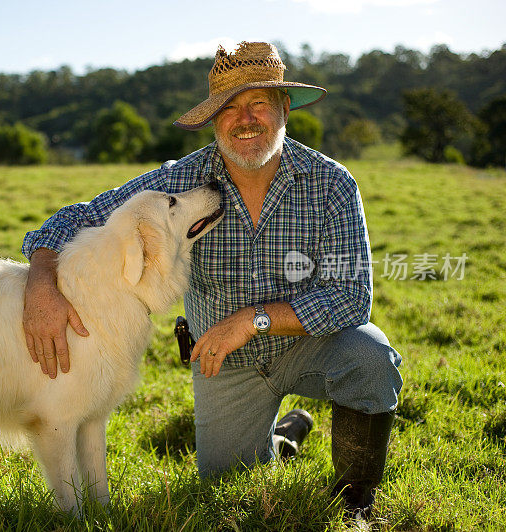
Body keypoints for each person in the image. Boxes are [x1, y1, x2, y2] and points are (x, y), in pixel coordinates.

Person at [20, 41, 402, 519]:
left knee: (372, 358)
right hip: (225, 363)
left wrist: (252, 319)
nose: (245, 119)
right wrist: (40, 282)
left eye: (258, 104)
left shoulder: (332, 184)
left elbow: (352, 298)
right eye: (230, 108)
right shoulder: (182, 183)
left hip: (311, 344)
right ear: (214, 119)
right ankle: (281, 441)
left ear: (284, 110)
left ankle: (354, 507)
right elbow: (75, 218)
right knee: (228, 484)